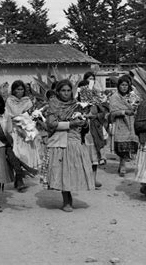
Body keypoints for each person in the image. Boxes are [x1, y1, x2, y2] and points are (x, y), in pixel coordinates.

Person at [45, 79, 94, 212]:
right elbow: (51, 124)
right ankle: (67, 199)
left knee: (73, 169)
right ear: (58, 92)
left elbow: (85, 124)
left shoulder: (77, 105)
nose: (66, 93)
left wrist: (84, 124)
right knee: (63, 170)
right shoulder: (53, 105)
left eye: (68, 91)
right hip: (60, 141)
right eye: (63, 90)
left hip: (75, 140)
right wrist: (70, 124)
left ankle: (69, 195)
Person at [5, 80, 41, 192]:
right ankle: (19, 178)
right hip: (14, 130)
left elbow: (30, 115)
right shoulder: (9, 101)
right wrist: (16, 118)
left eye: (21, 89)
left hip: (25, 131)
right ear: (13, 90)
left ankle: (19, 178)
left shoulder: (27, 101)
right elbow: (8, 114)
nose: (19, 92)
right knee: (16, 153)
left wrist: (26, 120)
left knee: (24, 155)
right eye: (17, 89)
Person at [109, 75, 140, 177]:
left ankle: (123, 163)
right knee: (121, 145)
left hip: (131, 122)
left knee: (130, 144)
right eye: (122, 85)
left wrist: (134, 110)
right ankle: (122, 164)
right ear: (118, 86)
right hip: (120, 123)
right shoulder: (114, 97)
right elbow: (112, 111)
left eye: (126, 85)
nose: (124, 87)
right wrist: (124, 111)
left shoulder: (133, 96)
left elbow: (137, 107)